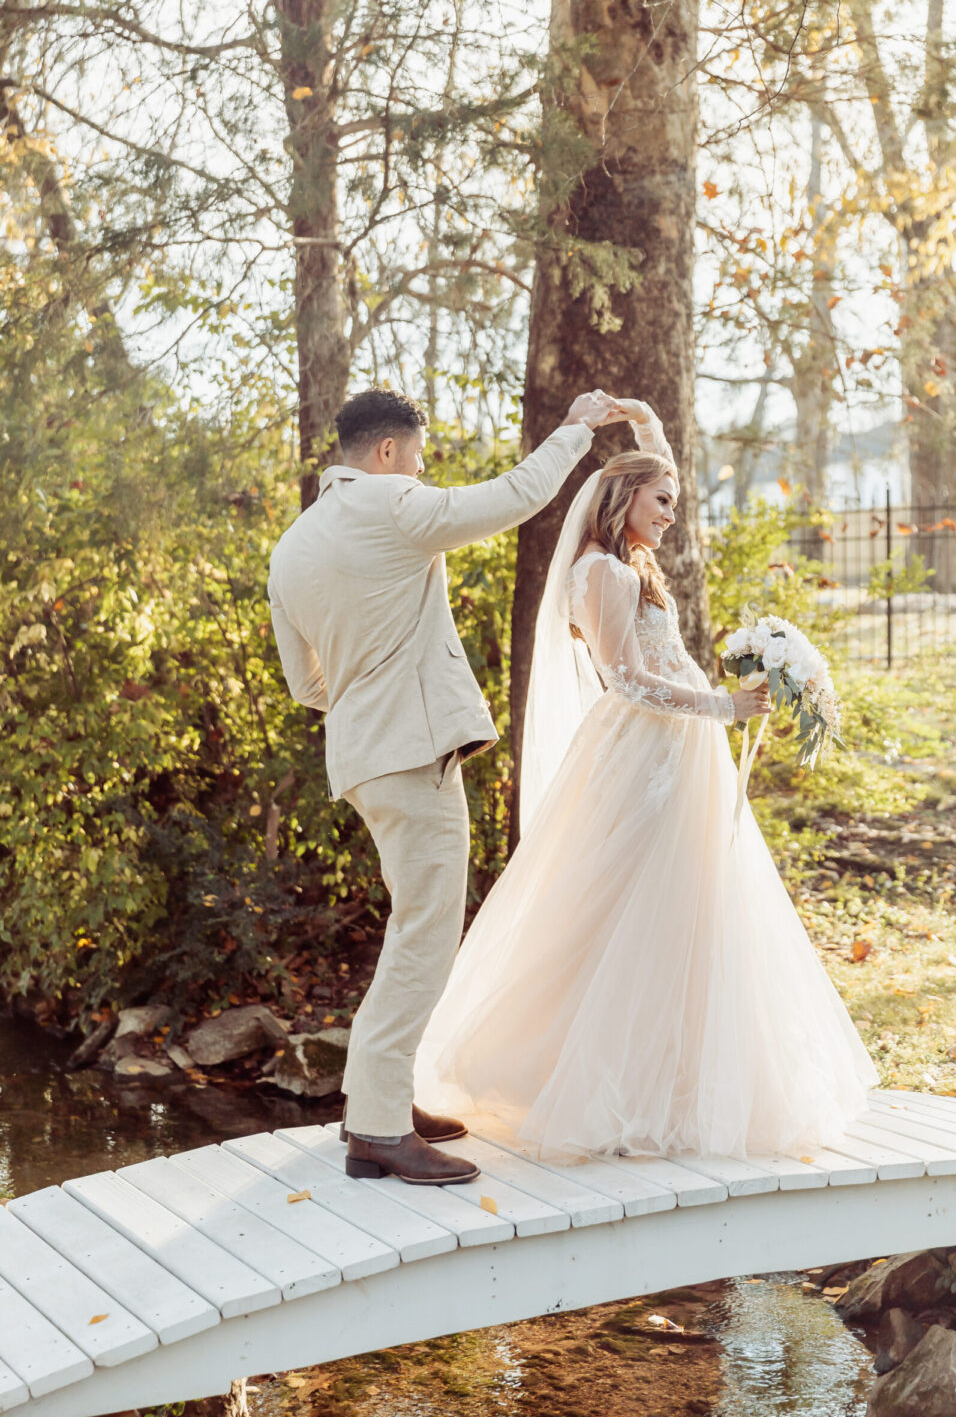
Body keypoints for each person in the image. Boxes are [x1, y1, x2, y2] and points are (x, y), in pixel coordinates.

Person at [415, 402, 877, 1161]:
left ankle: (679, 1080)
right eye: (662, 502)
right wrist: (722, 705)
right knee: (626, 911)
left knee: (689, 910)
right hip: (646, 756)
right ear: (622, 499)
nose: (671, 516)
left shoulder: (629, 564)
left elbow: (655, 507)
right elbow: (626, 679)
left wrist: (653, 425)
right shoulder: (601, 572)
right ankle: (589, 1084)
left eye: (674, 504)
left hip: (681, 751)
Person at [267, 384, 626, 1185]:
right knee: (425, 936)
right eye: (420, 458)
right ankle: (378, 1129)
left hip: (360, 758)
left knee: (411, 926)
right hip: (413, 752)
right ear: (388, 453)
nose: (423, 473)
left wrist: (366, 698)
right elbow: (518, 496)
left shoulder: (291, 547)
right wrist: (573, 431)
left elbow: (305, 684)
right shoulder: (394, 506)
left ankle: (378, 1096)